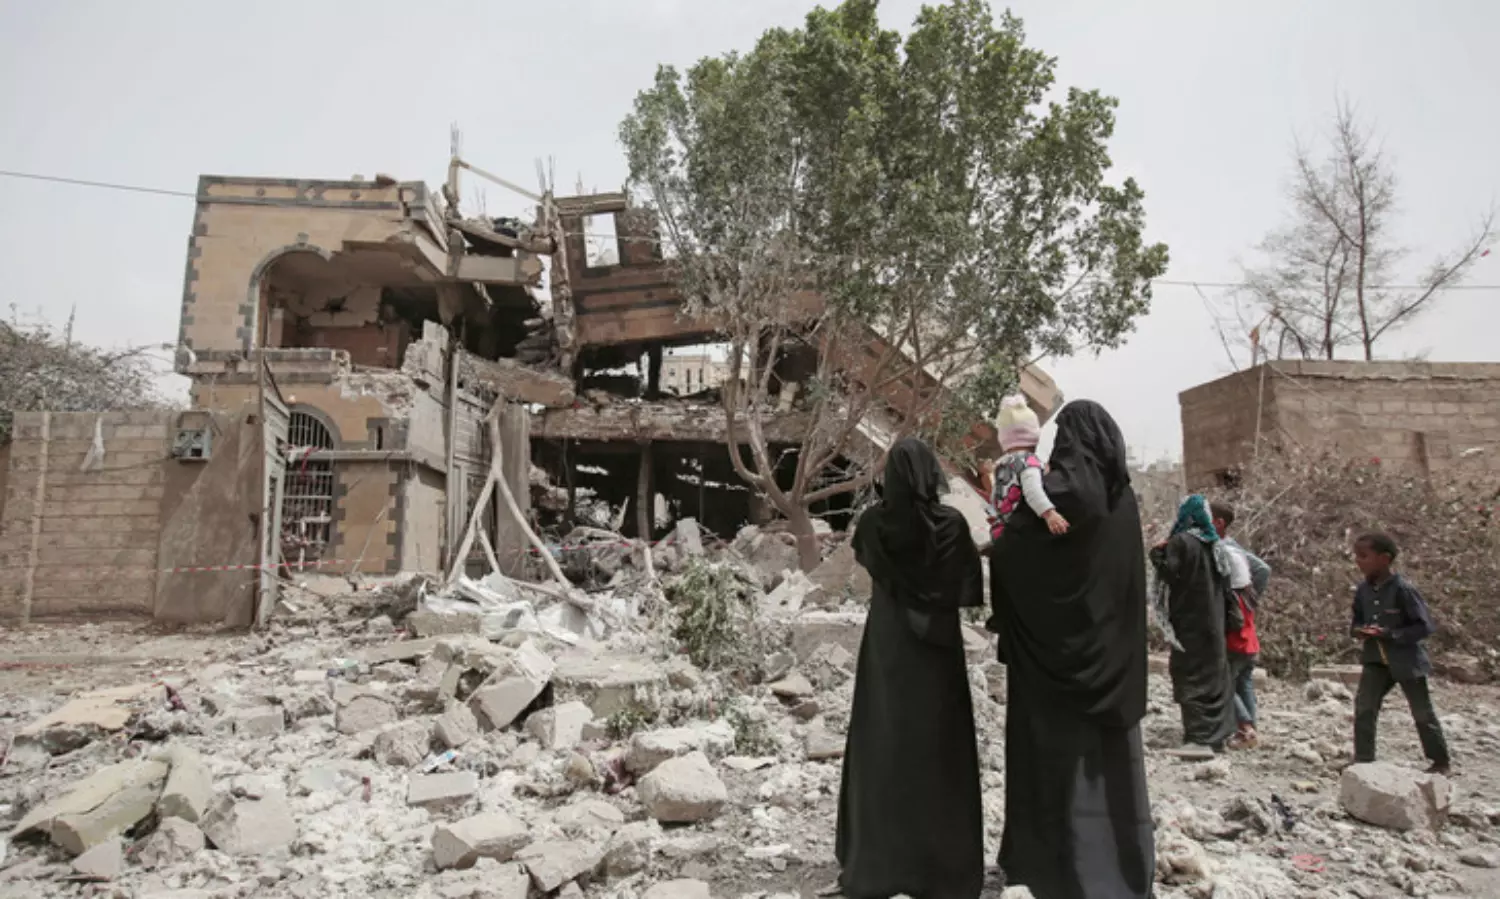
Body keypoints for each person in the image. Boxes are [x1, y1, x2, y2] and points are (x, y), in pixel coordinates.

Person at [987, 400, 1155, 898]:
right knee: (1110, 765)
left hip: (1050, 671)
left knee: (1052, 760)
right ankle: (1120, 868)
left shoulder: (1055, 493)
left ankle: (1051, 869)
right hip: (1112, 661)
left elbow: (1011, 553)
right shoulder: (1121, 499)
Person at [836, 437, 985, 899]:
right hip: (937, 650)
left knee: (885, 742)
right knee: (939, 747)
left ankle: (881, 862)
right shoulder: (952, 526)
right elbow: (966, 587)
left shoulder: (873, 524)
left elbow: (871, 564)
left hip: (889, 646)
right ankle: (940, 869)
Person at [1349, 532, 1452, 775]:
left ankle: (1440, 762)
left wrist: (1390, 634)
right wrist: (1360, 631)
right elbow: (1356, 622)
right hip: (1376, 659)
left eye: (1364, 556)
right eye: (1357, 556)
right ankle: (1363, 761)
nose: (1358, 561)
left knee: (1421, 712)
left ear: (1384, 559)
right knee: (1365, 707)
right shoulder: (1363, 590)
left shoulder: (1403, 590)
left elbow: (1424, 626)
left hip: (1407, 661)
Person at [1150, 494, 1238, 751]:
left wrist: (1157, 553)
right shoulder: (1216, 545)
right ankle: (1218, 736)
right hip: (1215, 621)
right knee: (1214, 676)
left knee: (1190, 674)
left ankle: (1199, 738)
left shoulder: (1181, 542)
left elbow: (1169, 573)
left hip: (1189, 621)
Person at [1211, 502, 1271, 750]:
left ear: (1218, 522)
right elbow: (1262, 569)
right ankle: (1250, 730)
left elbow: (1263, 569)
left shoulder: (1223, 550)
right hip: (1248, 634)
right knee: (1243, 681)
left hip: (1235, 636)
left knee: (1223, 680)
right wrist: (1250, 599)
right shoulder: (1235, 552)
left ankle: (1245, 728)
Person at [988, 394, 1069, 541]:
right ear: (1033, 436)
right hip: (1017, 529)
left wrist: (994, 513)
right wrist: (1049, 513)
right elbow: (1032, 490)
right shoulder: (1028, 462)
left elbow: (995, 494)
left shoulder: (1003, 463)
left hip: (1000, 527)